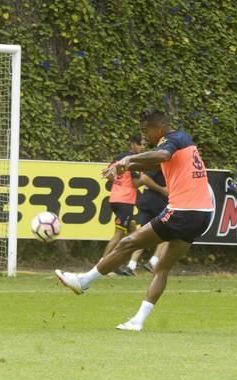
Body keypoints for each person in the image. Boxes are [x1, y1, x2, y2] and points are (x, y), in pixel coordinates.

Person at [55, 109, 214, 331]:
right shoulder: (183, 139)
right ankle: (138, 321)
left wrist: (128, 158)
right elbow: (153, 163)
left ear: (159, 127)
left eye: (145, 130)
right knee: (163, 267)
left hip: (183, 211)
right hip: (203, 213)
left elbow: (161, 156)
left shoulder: (170, 140)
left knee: (128, 243)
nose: (144, 136)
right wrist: (122, 167)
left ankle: (83, 282)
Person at [102, 134, 144, 268]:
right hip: (125, 201)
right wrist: (146, 178)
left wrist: (119, 183)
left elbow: (106, 173)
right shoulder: (133, 161)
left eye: (144, 145)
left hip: (115, 198)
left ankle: (120, 263)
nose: (143, 148)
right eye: (140, 144)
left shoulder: (119, 158)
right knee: (119, 234)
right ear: (132, 145)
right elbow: (136, 183)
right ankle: (102, 265)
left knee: (133, 233)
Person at [118, 169, 168, 276]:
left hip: (147, 200)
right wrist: (161, 189)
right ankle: (153, 262)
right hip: (157, 202)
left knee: (143, 235)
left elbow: (142, 179)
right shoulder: (161, 162)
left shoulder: (157, 162)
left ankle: (131, 265)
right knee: (169, 233)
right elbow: (144, 178)